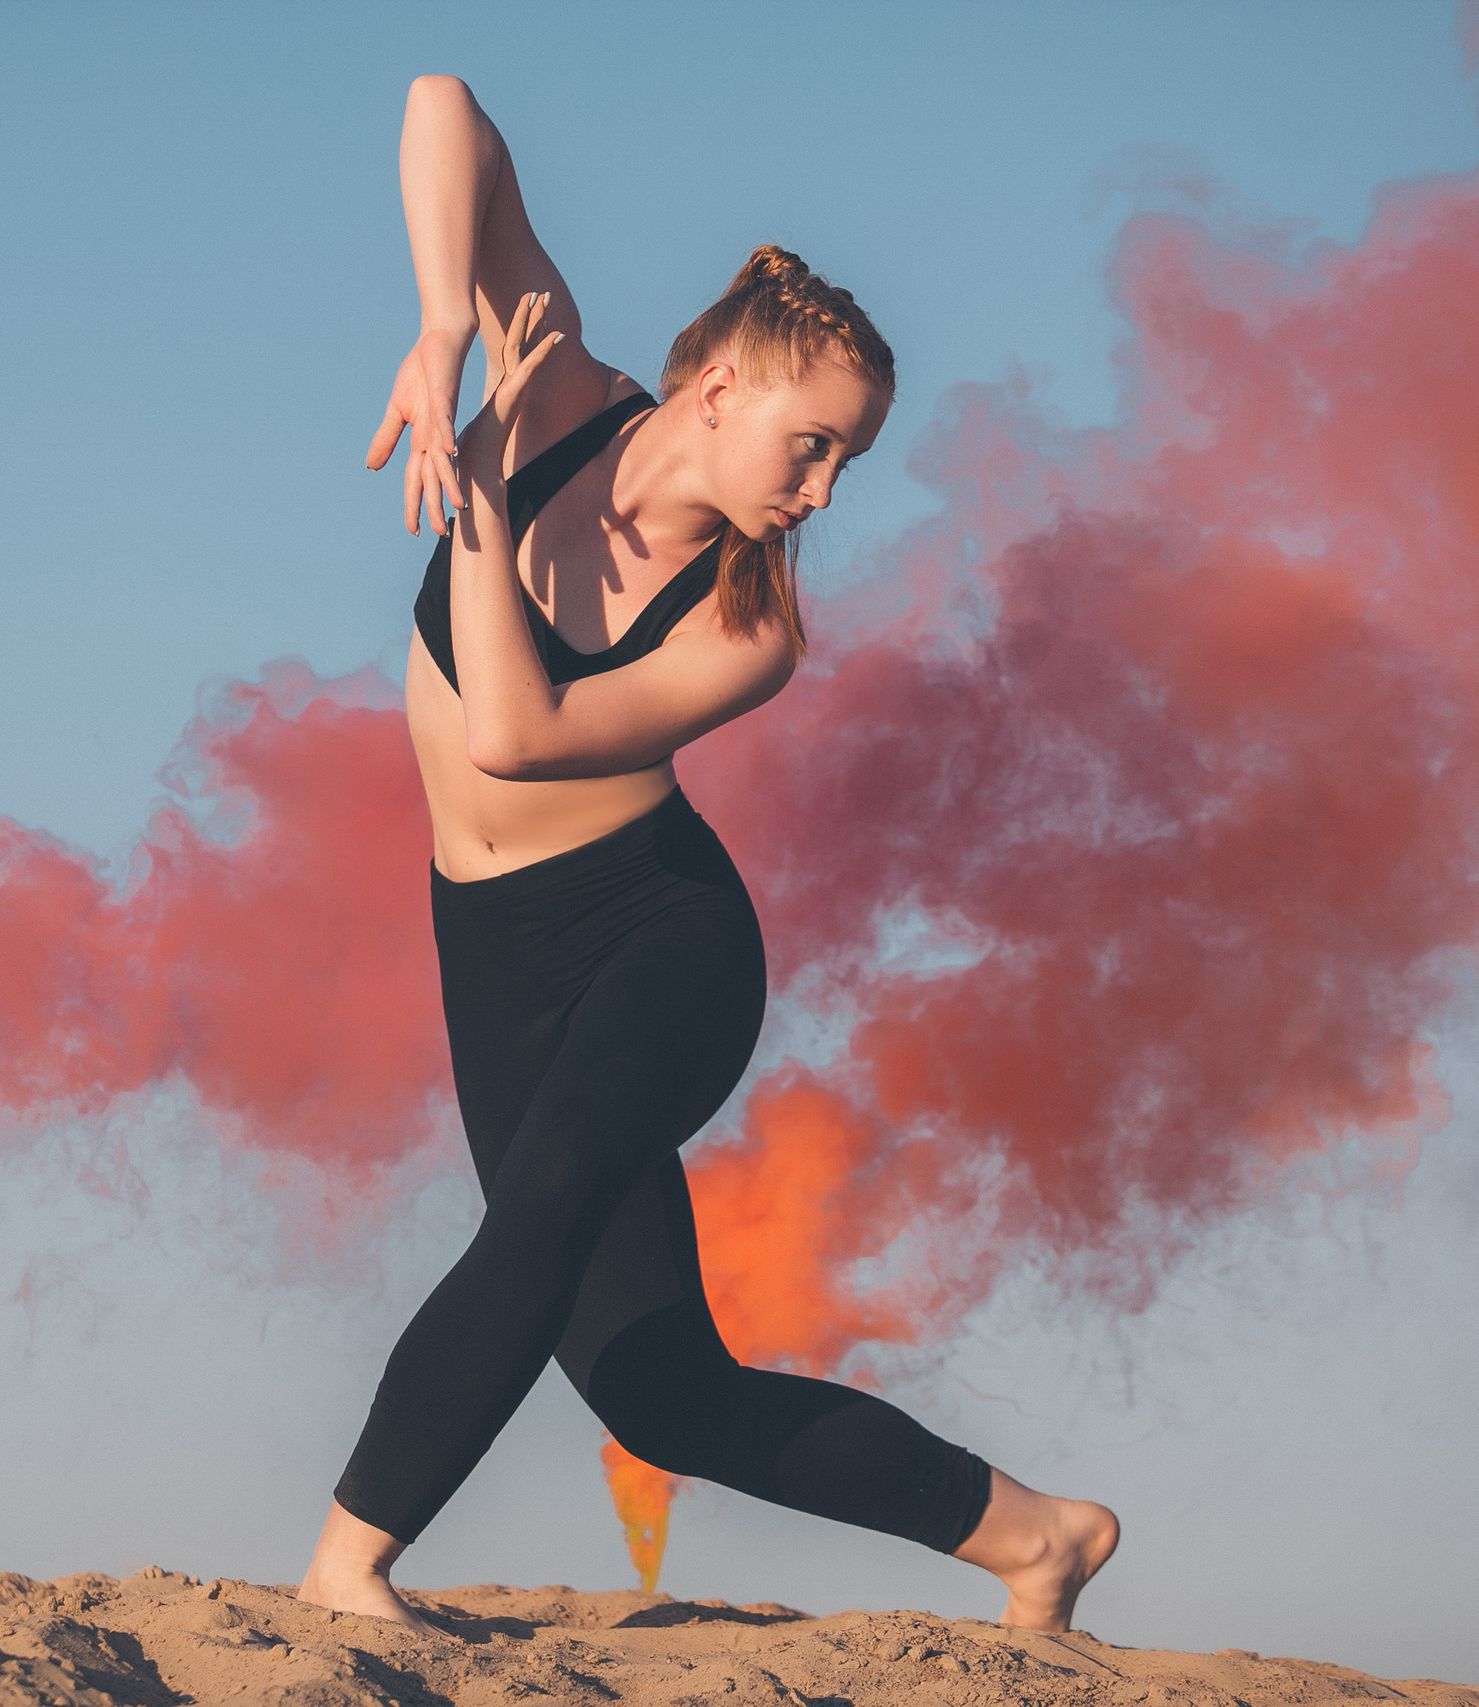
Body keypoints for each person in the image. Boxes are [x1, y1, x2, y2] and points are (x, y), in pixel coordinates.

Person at [295, 74, 1117, 1638]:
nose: (820, 493)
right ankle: (1036, 1536)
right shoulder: (552, 389)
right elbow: (441, 107)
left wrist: (475, 507)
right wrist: (448, 327)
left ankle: (346, 1567)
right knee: (660, 1393)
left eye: (845, 466)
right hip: (493, 954)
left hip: (658, 944)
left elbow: (515, 735)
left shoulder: (751, 626)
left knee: (537, 1216)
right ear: (723, 386)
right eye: (812, 446)